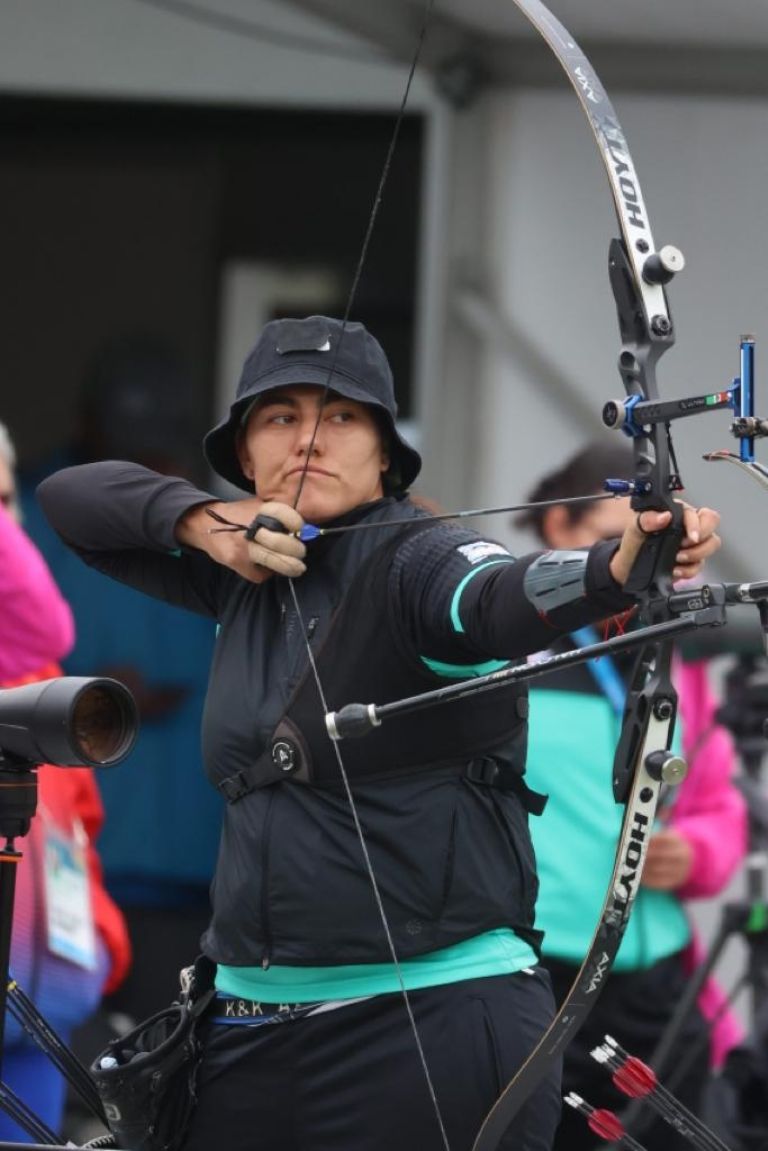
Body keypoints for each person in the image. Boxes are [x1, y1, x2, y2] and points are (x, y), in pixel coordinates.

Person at [36, 316, 721, 1151]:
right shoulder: (238, 577)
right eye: (280, 415)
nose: (309, 437)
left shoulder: (420, 559)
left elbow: (493, 596)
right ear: (246, 453)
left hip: (428, 1027)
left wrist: (613, 567)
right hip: (246, 1033)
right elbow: (71, 500)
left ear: (386, 454)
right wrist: (204, 524)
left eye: (342, 416)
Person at [517, 441, 747, 1151]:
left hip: (654, 985)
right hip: (537, 976)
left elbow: (716, 802)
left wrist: (699, 852)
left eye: (656, 548)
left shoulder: (673, 642)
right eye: (616, 542)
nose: (639, 570)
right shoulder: (512, 650)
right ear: (559, 530)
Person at [19, 337, 219, 1023]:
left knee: (170, 1087)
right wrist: (80, 686)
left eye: (155, 451)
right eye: (122, 451)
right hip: (56, 873)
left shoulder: (216, 524)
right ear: (84, 426)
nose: (142, 468)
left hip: (194, 875)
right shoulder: (30, 517)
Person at [0, 420, 131, 1140]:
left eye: (6, 498)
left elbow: (78, 827)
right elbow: (43, 618)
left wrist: (101, 943)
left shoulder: (32, 669)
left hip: (46, 1009)